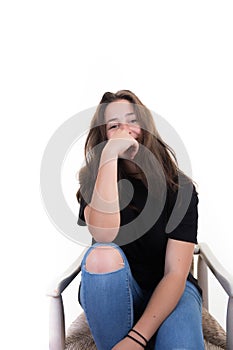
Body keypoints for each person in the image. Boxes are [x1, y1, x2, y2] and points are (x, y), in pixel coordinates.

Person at [76, 90, 204, 350]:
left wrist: (137, 338)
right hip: (116, 290)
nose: (125, 130)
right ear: (104, 137)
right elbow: (103, 235)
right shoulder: (94, 179)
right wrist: (110, 156)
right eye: (114, 126)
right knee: (101, 254)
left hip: (171, 291)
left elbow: (175, 273)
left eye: (132, 120)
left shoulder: (180, 188)